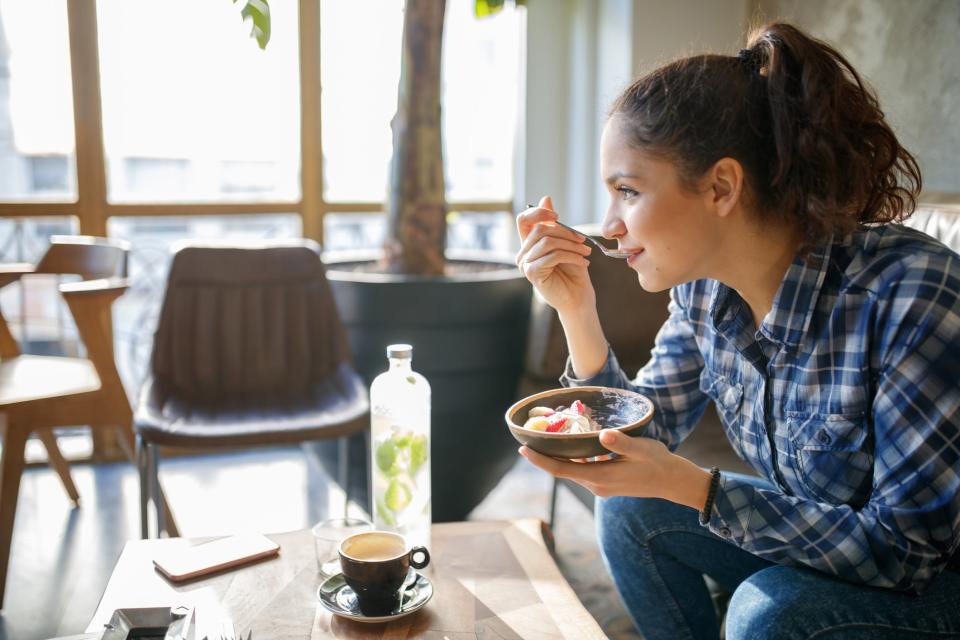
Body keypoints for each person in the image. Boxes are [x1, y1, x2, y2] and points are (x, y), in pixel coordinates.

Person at [515, 22, 960, 640]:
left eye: (628, 190)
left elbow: (908, 552)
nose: (610, 224)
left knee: (766, 611)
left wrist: (697, 489)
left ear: (722, 186)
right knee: (629, 511)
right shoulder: (703, 291)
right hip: (828, 547)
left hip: (932, 585)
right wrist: (575, 309)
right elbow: (640, 434)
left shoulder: (911, 294)